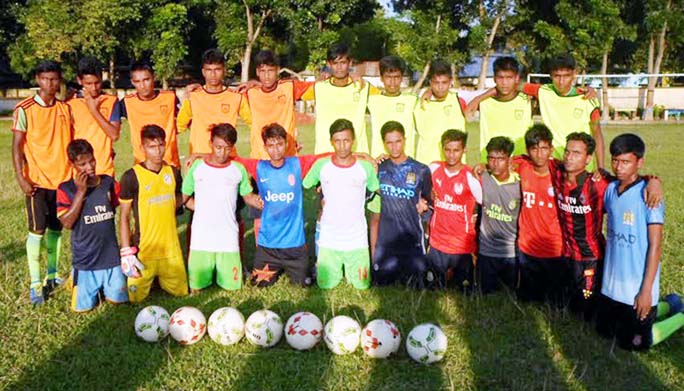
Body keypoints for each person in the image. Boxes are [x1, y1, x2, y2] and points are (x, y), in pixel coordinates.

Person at [550, 132, 662, 320]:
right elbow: (536, 157)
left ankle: (669, 306)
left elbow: (630, 181)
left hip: (591, 257)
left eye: (576, 153)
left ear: (588, 159)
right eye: (567, 152)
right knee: (564, 305)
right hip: (567, 254)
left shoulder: (599, 184)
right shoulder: (558, 172)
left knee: (586, 313)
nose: (569, 157)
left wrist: (654, 180)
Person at [596, 133, 684, 351]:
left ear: (639, 162)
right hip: (611, 287)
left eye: (625, 161)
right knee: (604, 332)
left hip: (637, 289)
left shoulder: (649, 196)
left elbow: (656, 246)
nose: (619, 167)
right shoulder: (610, 190)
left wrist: (645, 291)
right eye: (615, 160)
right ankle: (669, 304)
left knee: (634, 343)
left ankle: (680, 315)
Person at [236, 123, 328, 287]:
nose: (276, 150)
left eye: (279, 144)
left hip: (295, 247)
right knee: (258, 286)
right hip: (268, 247)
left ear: (286, 144)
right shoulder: (259, 167)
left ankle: (302, 269)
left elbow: (328, 156)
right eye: (270, 145)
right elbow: (231, 159)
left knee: (303, 285)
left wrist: (361, 155)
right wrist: (199, 155)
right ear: (265, 147)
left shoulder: (297, 165)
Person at [12, 60, 73, 305]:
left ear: (59, 80)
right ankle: (36, 283)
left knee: (56, 231)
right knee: (36, 231)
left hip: (62, 181)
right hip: (36, 182)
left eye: (55, 79)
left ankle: (53, 275)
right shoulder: (24, 108)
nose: (50, 84)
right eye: (45, 79)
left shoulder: (64, 109)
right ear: (38, 79)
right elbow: (16, 147)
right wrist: (21, 178)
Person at [182, 124, 261, 292]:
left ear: (232, 147)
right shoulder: (197, 167)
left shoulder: (238, 169)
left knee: (233, 288)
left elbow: (248, 197)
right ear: (210, 143)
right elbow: (184, 197)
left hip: (228, 238)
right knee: (196, 288)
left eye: (227, 148)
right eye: (218, 147)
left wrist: (263, 201)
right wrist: (201, 208)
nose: (222, 153)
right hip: (201, 239)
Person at [302, 119, 379, 289]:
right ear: (331, 142)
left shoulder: (365, 168)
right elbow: (306, 186)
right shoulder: (321, 166)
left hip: (357, 239)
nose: (342, 146)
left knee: (362, 286)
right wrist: (318, 201)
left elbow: (377, 190)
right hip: (330, 238)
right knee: (325, 285)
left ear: (353, 141)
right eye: (337, 141)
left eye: (346, 141)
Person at [118, 125, 188, 302]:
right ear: (142, 148)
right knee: (134, 298)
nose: (158, 151)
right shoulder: (131, 177)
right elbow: (124, 216)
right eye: (151, 146)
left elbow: (179, 199)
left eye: (161, 145)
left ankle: (160, 278)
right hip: (144, 250)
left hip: (171, 250)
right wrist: (126, 252)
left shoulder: (173, 172)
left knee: (182, 293)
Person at [57, 139, 127, 312]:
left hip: (111, 259)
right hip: (86, 261)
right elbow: (67, 223)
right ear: (72, 164)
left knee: (119, 302)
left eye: (91, 161)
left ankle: (108, 282)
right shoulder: (66, 189)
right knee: (83, 309)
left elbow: (124, 209)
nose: (89, 167)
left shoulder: (108, 184)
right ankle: (75, 278)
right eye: (82, 164)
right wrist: (81, 192)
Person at [367, 121, 431, 288]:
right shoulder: (379, 169)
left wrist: (425, 208)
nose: (394, 147)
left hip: (413, 242)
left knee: (418, 287)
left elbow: (429, 204)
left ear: (405, 140)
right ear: (383, 143)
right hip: (386, 243)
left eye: (398, 141)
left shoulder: (420, 170)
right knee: (381, 287)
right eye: (389, 143)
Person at [521, 54, 604, 170]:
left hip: (581, 167)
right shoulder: (543, 91)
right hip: (553, 164)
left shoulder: (588, 99)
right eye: (557, 76)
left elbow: (597, 135)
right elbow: (512, 85)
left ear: (574, 74)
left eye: (566, 76)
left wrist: (601, 168)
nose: (561, 81)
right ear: (551, 75)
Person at [513, 125, 565, 305]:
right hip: (527, 247)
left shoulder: (561, 172)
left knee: (555, 303)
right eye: (534, 149)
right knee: (527, 302)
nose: (539, 154)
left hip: (555, 248)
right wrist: (482, 166)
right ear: (528, 150)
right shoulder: (522, 166)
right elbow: (500, 162)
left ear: (551, 149)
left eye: (544, 148)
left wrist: (651, 181)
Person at [426, 129, 481, 291]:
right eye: (447, 150)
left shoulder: (470, 177)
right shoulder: (433, 169)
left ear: (464, 151)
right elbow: (419, 186)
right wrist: (427, 193)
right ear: (442, 148)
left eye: (456, 150)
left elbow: (484, 202)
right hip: (437, 243)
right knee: (433, 290)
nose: (451, 155)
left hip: (461, 246)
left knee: (462, 293)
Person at [178, 48, 248, 160]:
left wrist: (257, 85)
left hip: (227, 160)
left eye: (217, 69)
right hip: (200, 160)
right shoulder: (193, 97)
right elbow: (178, 126)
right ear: (203, 72)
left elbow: (255, 122)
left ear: (224, 71)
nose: (213, 74)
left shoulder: (236, 97)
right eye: (209, 70)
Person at [301, 42, 370, 154]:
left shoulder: (363, 86)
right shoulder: (318, 87)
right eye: (335, 63)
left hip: (357, 155)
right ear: (328, 64)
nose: (339, 67)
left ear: (350, 63)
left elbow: (387, 98)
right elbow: (290, 94)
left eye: (343, 63)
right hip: (325, 156)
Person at [243, 50, 313, 159]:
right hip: (260, 159)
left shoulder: (289, 88)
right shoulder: (249, 93)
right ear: (257, 72)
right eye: (263, 71)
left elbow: (318, 89)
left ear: (278, 70)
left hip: (288, 157)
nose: (267, 76)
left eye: (270, 71)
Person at [464, 56, 533, 162]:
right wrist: (481, 97)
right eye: (500, 78)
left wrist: (526, 88)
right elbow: (467, 111)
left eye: (509, 78)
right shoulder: (484, 103)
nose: (504, 83)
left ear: (517, 78)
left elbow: (550, 90)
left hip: (520, 163)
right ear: (494, 79)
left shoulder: (528, 100)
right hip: (490, 164)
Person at [477, 137, 521, 294]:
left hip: (510, 253)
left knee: (509, 300)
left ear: (509, 160)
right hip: (486, 252)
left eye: (500, 159)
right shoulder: (482, 178)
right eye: (491, 158)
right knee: (485, 300)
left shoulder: (520, 185)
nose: (495, 163)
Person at [120, 61, 180, 168]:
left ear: (154, 77)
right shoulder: (126, 103)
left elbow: (184, 123)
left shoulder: (170, 98)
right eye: (137, 81)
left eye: (146, 80)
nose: (142, 86)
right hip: (142, 166)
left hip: (169, 164)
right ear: (132, 82)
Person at [68, 57, 121, 176]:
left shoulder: (111, 101)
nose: (94, 88)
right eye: (89, 83)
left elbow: (114, 135)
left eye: (97, 82)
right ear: (79, 80)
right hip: (79, 172)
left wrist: (94, 110)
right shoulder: (70, 104)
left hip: (104, 170)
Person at [413, 59, 467, 164]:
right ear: (430, 82)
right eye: (436, 83)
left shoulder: (459, 99)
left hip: (454, 168)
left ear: (451, 81)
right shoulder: (418, 102)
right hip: (427, 166)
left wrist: (429, 90)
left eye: (444, 82)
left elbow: (496, 90)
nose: (440, 87)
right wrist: (427, 91)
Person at [367, 56, 418, 158]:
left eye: (396, 77)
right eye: (388, 77)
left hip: (406, 163)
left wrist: (429, 91)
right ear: (381, 78)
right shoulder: (372, 100)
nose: (392, 82)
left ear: (401, 78)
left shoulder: (412, 101)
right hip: (380, 161)